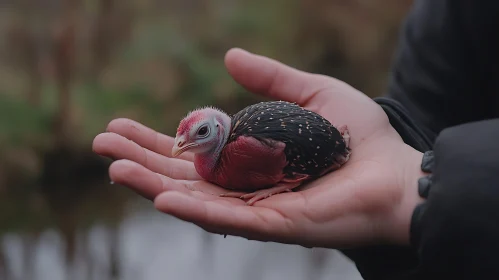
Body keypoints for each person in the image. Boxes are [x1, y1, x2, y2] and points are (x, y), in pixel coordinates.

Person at [92, 0, 499, 279]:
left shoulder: (238, 154)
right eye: (188, 138)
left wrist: (415, 188)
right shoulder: (448, 26)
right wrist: (413, 189)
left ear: (218, 130)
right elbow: (423, 106)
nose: (184, 146)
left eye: (199, 135)